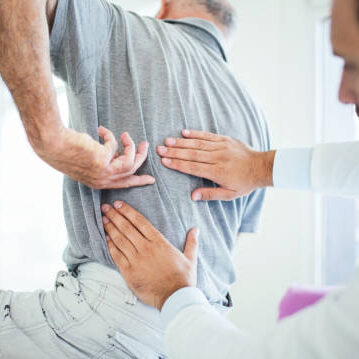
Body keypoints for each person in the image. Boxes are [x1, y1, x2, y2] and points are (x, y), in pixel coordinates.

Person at [0, 0, 271, 357]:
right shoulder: (256, 121)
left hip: (115, 319)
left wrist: (50, 138)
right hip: (196, 331)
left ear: (165, 7)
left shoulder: (122, 29)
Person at [102, 0, 359, 357]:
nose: (342, 93)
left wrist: (173, 293)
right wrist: (260, 167)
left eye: (353, 65)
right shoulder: (253, 115)